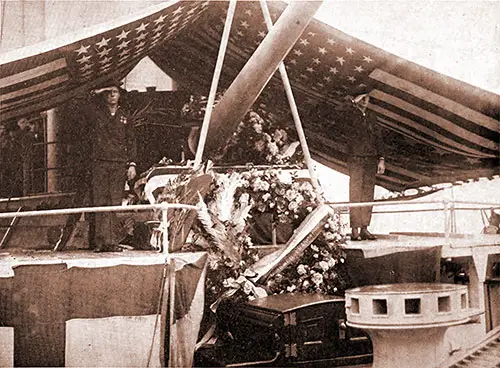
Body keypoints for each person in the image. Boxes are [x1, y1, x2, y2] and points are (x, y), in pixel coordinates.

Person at [55, 79, 138, 250]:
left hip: (118, 164)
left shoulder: (125, 116)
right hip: (99, 163)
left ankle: (112, 242)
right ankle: (100, 242)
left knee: (114, 201)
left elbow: (131, 141)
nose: (111, 96)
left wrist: (132, 164)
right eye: (108, 93)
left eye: (114, 92)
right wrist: (99, 90)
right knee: (100, 201)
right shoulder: (96, 113)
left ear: (120, 94)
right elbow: (84, 105)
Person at [344, 93, 385, 241]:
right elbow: (342, 119)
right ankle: (354, 229)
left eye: (367, 98)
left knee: (368, 192)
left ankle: (364, 228)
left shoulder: (372, 117)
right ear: (356, 99)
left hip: (371, 159)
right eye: (362, 98)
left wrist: (381, 159)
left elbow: (378, 138)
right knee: (355, 192)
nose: (365, 101)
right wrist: (353, 104)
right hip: (355, 158)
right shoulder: (350, 114)